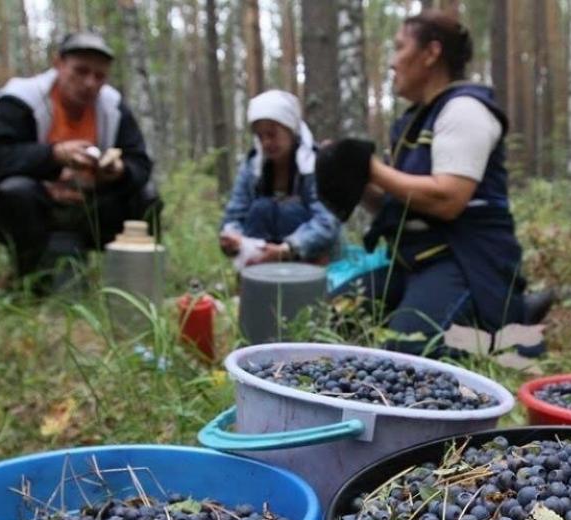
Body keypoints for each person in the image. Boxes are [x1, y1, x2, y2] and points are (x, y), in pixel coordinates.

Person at [318, 10, 527, 352]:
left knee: (405, 350)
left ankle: (501, 319)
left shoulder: (465, 110)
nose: (391, 63)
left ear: (431, 53)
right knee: (332, 321)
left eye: (399, 48)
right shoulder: (415, 121)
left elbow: (449, 200)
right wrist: (352, 178)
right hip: (410, 263)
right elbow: (397, 201)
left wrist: (370, 168)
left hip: (463, 262)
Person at [0, 32, 160, 291]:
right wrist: (54, 155)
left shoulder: (112, 106)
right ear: (58, 63)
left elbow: (140, 162)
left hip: (93, 205)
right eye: (80, 71)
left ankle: (135, 283)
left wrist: (118, 172)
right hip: (36, 205)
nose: (90, 83)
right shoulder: (22, 98)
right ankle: (28, 281)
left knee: (147, 196)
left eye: (99, 76)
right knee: (15, 192)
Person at [219, 90, 340, 268]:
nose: (266, 142)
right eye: (261, 136)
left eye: (272, 134)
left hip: (309, 262)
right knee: (262, 208)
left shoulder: (315, 165)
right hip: (260, 261)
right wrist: (232, 238)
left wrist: (288, 248)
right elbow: (234, 216)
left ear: (290, 129)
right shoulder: (253, 168)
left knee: (289, 210)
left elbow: (327, 222)